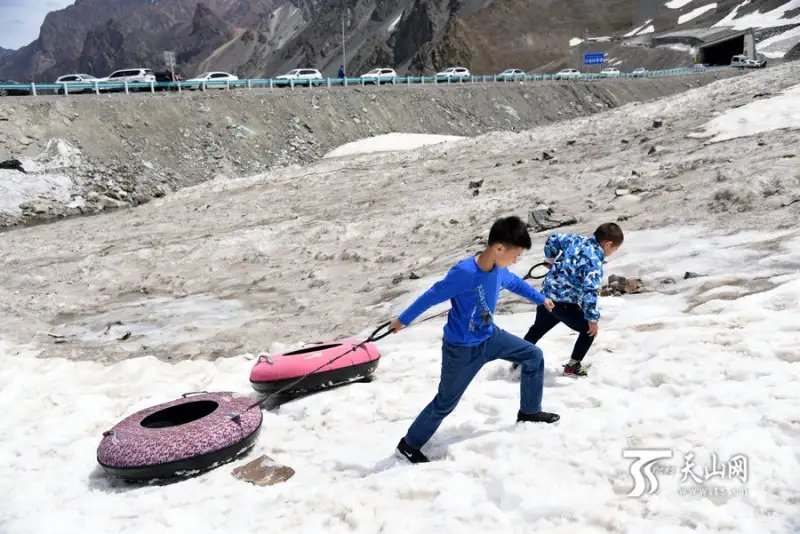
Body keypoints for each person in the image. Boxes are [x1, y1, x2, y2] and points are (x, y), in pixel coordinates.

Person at [388, 215, 561, 464]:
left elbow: (514, 283)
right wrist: (402, 320)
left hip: (490, 337)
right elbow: (431, 296)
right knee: (445, 402)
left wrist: (540, 298)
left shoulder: (499, 269)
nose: (516, 260)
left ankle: (529, 412)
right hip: (461, 349)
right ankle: (409, 445)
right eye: (516, 255)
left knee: (533, 354)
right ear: (499, 248)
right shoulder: (464, 273)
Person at [512, 222, 624, 377]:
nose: (613, 252)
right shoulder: (594, 262)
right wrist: (592, 319)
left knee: (537, 329)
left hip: (546, 296)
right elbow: (590, 291)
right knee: (588, 331)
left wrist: (550, 260)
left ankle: (517, 361)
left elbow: (553, 239)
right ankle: (572, 366)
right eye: (615, 249)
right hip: (563, 303)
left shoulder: (574, 240)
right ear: (608, 244)